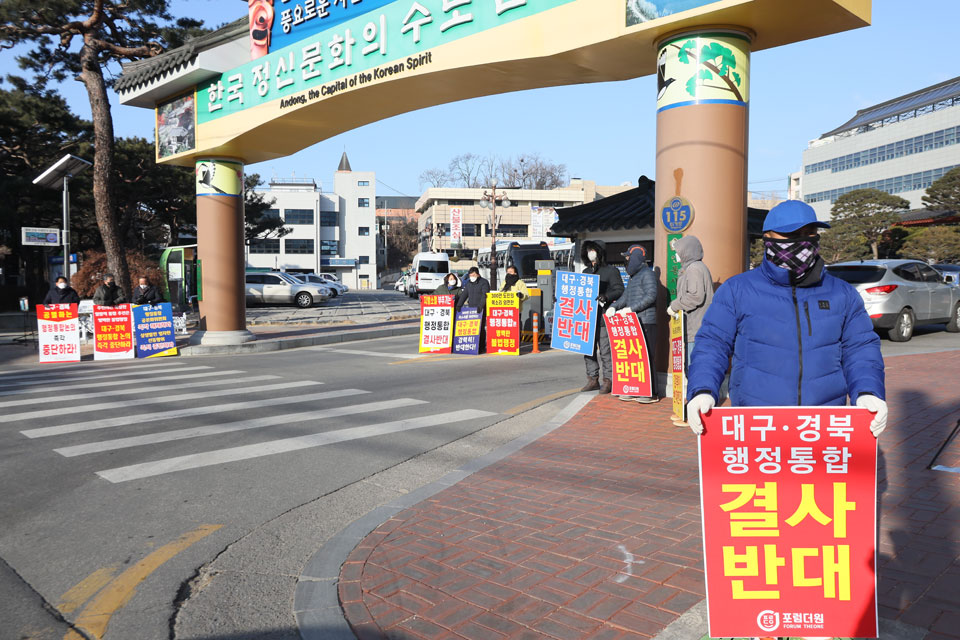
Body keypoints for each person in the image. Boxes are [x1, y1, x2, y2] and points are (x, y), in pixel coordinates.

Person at [686, 199, 887, 438]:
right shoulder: (737, 290)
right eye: (791, 234)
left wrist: (868, 391)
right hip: (758, 422)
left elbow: (860, 348)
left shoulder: (842, 293)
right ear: (768, 238)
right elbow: (712, 343)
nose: (802, 242)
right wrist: (703, 389)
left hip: (823, 424)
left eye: (809, 234)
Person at [607, 245, 658, 403]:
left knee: (647, 357)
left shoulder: (647, 274)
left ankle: (650, 392)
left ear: (636, 257)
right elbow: (625, 297)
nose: (627, 260)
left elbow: (651, 296)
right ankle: (634, 388)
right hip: (634, 323)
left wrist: (631, 309)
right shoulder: (633, 277)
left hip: (646, 321)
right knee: (634, 358)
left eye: (628, 257)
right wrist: (613, 307)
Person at [580, 240, 625, 394]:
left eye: (593, 250)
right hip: (586, 318)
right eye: (588, 250)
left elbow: (619, 289)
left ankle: (608, 380)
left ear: (600, 252)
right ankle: (592, 379)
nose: (590, 252)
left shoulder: (611, 271)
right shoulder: (585, 272)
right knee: (587, 350)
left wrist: (606, 296)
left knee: (605, 351)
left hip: (603, 318)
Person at [666, 235, 713, 359]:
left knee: (693, 368)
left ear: (686, 252)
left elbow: (695, 296)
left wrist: (674, 306)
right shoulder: (693, 268)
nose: (676, 255)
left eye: (678, 252)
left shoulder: (694, 269)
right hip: (695, 326)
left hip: (696, 327)